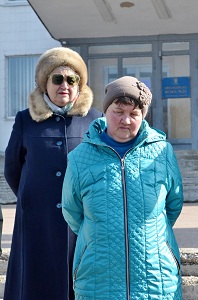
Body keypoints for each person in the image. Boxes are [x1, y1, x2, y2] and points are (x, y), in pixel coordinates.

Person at [61, 76, 184, 299]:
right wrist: (100, 236)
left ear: (143, 116)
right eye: (118, 112)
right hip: (98, 276)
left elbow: (173, 205)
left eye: (134, 113)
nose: (126, 120)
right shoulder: (80, 158)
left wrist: (151, 237)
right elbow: (72, 211)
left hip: (155, 276)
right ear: (106, 111)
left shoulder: (162, 153)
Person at [4, 47, 103, 300]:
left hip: (79, 220)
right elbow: (13, 168)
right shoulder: (26, 119)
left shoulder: (95, 120)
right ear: (45, 83)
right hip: (36, 219)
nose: (65, 85)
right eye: (57, 79)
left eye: (72, 80)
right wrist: (31, 195)